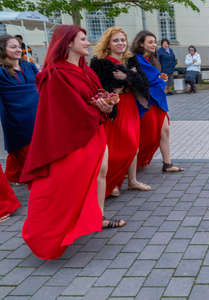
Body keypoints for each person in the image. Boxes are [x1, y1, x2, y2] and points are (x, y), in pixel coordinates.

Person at [20, 25, 124, 260]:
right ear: (68, 43)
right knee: (68, 183)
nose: (88, 43)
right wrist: (99, 108)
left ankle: (96, 218)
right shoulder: (56, 73)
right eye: (83, 39)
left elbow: (96, 95)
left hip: (93, 132)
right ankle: (45, 235)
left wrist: (107, 102)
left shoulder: (85, 69)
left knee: (100, 173)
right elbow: (70, 112)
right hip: (73, 139)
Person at [90, 26, 151, 198]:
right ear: (108, 44)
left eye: (123, 40)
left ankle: (132, 180)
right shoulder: (99, 62)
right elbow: (98, 86)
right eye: (116, 40)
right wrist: (126, 81)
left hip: (130, 104)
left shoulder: (131, 60)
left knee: (133, 144)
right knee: (116, 146)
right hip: (114, 107)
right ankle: (112, 181)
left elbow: (143, 83)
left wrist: (127, 77)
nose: (120, 43)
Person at [129, 30, 184, 172]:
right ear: (141, 44)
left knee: (165, 131)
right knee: (149, 135)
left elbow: (158, 78)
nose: (154, 44)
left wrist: (160, 79)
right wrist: (161, 80)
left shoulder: (152, 59)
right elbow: (148, 81)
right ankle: (131, 163)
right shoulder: (137, 60)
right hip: (147, 102)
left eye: (154, 42)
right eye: (150, 42)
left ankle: (167, 164)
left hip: (158, 102)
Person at [0, 35, 39, 183]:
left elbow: (40, 85)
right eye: (13, 47)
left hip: (35, 113)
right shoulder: (1, 71)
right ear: (3, 50)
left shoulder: (29, 66)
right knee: (23, 149)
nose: (18, 50)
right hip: (15, 118)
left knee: (26, 150)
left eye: (19, 46)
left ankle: (12, 175)